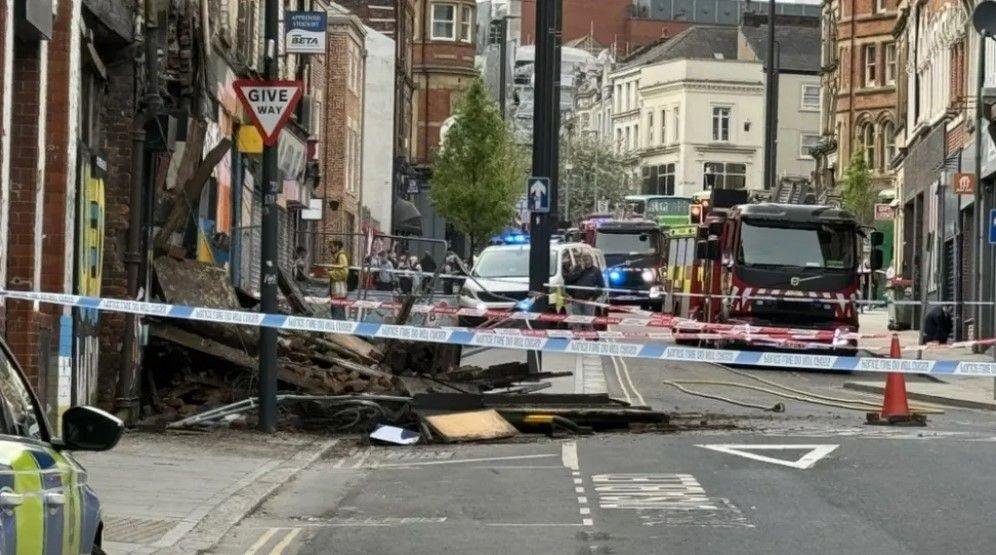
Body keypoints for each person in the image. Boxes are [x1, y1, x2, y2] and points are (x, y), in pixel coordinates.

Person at [565, 254, 604, 322]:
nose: (586, 262)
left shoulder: (596, 271)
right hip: (576, 300)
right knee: (577, 322)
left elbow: (601, 286)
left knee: (588, 322)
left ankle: (588, 331)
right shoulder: (576, 269)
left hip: (589, 300)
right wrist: (580, 271)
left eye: (587, 260)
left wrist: (594, 297)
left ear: (591, 260)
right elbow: (568, 280)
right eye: (584, 260)